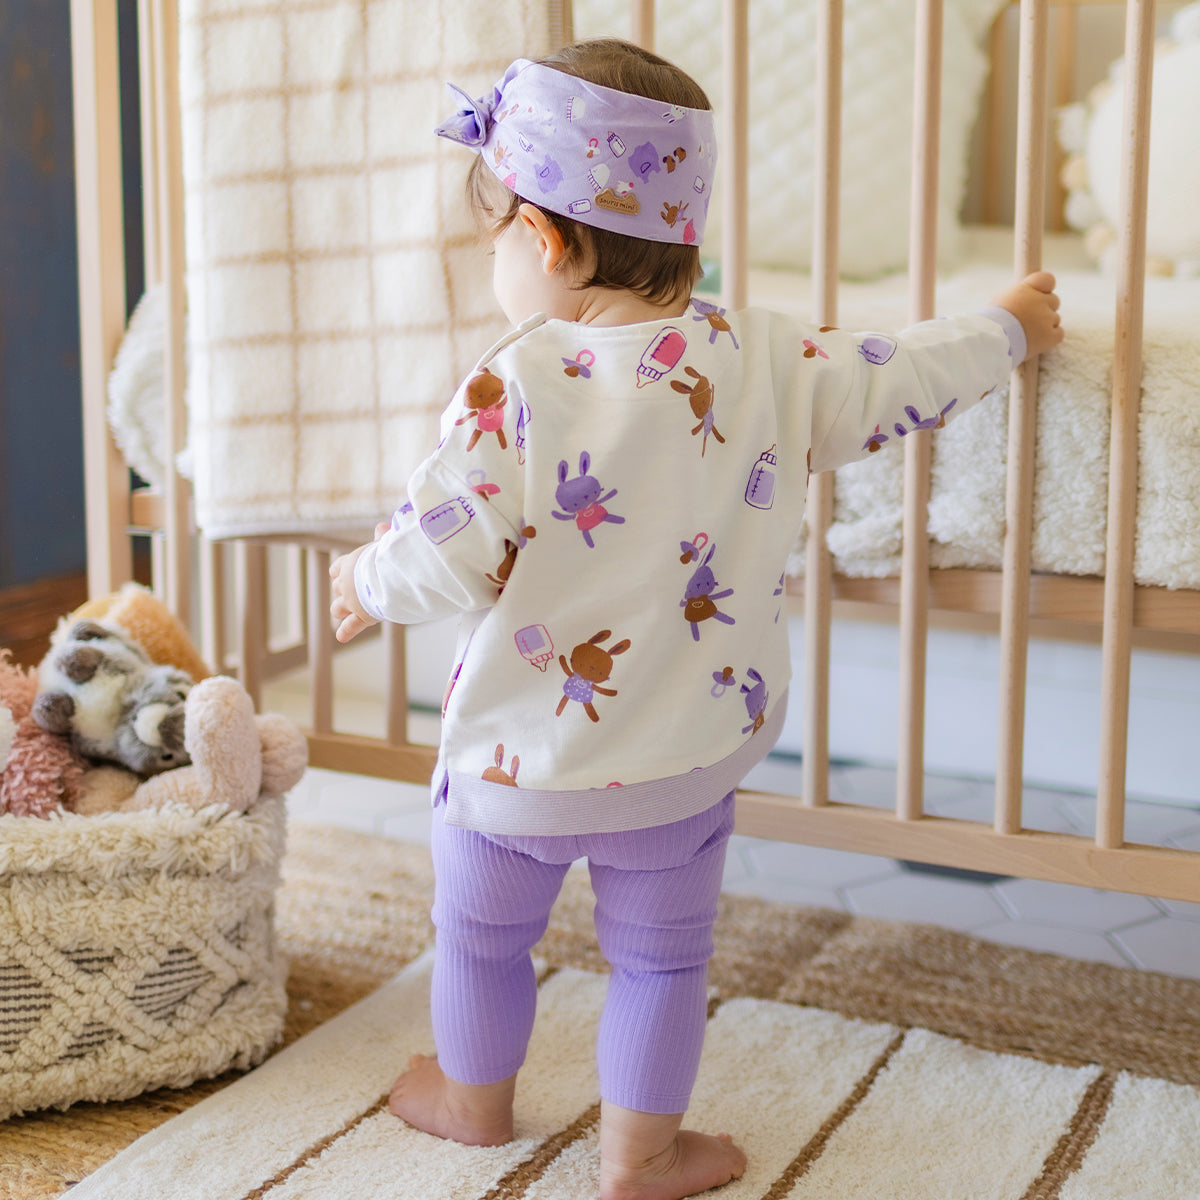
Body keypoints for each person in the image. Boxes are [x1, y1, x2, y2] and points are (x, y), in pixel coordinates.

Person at [329, 38, 1063, 1200]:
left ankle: (472, 1106)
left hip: (515, 768)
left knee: (479, 940)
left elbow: (444, 552)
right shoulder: (768, 357)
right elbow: (905, 370)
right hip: (679, 768)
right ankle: (643, 1158)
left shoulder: (512, 386)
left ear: (544, 240)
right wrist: (1009, 326)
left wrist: (365, 582)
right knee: (662, 965)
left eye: (495, 242)